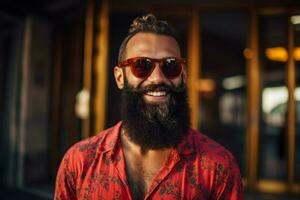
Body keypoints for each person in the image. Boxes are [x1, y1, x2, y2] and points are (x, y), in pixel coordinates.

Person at [54, 14, 244, 200]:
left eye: (170, 65)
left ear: (183, 76)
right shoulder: (79, 162)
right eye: (141, 65)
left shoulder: (218, 167)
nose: (158, 78)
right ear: (120, 77)